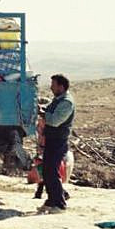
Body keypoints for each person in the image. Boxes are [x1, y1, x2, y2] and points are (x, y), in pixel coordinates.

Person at [38, 74, 74, 213]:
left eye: (53, 85)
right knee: (47, 171)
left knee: (52, 172)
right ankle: (53, 199)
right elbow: (49, 109)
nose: (51, 87)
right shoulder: (58, 100)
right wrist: (42, 109)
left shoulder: (66, 102)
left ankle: (59, 204)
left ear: (61, 86)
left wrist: (42, 114)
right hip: (52, 140)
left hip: (58, 141)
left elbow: (55, 121)